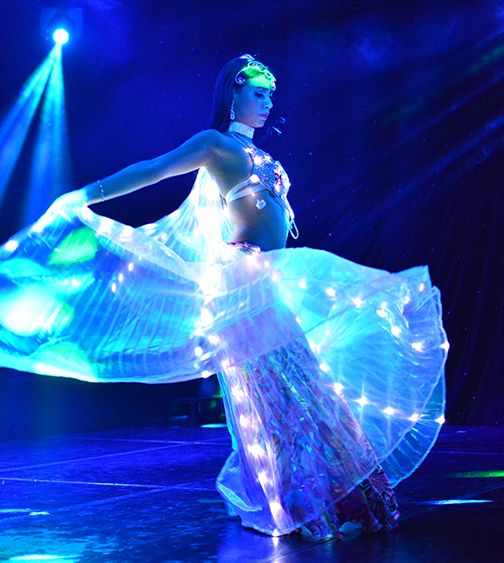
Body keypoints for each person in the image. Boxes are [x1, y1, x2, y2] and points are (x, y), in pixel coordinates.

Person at [0, 55, 448, 538]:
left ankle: (339, 494)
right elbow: (154, 170)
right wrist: (83, 195)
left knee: (303, 385)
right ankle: (311, 498)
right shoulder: (215, 144)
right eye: (258, 93)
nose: (268, 102)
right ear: (233, 93)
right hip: (241, 282)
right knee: (277, 391)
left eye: (270, 95)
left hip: (267, 278)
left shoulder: (262, 155)